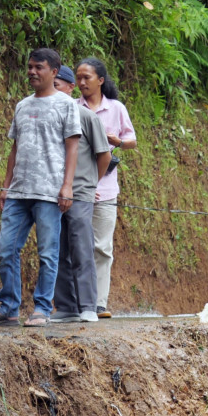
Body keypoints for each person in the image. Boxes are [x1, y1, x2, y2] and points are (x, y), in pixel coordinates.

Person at [0, 49, 81, 327]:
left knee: (47, 252)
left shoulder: (66, 105)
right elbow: (14, 148)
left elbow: (72, 146)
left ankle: (42, 307)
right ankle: (9, 307)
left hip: (49, 192)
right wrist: (6, 187)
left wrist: (67, 186)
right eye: (29, 66)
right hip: (19, 191)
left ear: (54, 72)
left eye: (38, 67)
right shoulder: (22, 105)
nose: (32, 72)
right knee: (7, 248)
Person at [75, 58, 136, 319]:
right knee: (76, 245)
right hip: (78, 186)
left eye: (87, 77)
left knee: (102, 246)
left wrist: (118, 142)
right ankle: (77, 302)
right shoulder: (71, 107)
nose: (81, 82)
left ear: (100, 80)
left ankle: (99, 303)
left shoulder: (116, 108)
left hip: (107, 188)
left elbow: (132, 141)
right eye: (78, 77)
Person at [51, 65, 112, 323]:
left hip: (81, 193)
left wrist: (90, 184)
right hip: (52, 192)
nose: (52, 91)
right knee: (56, 247)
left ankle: (88, 305)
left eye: (57, 86)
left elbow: (104, 155)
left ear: (69, 88)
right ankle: (66, 306)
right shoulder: (48, 115)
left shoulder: (86, 117)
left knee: (81, 246)